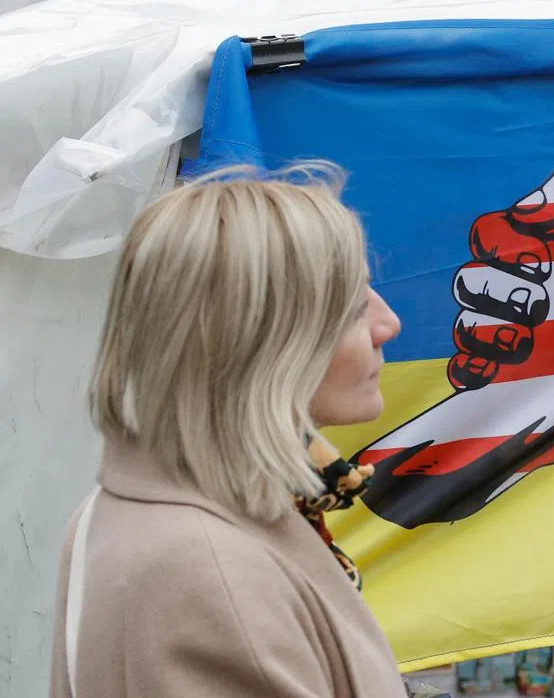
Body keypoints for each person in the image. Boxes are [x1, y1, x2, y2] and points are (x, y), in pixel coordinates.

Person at [49, 163, 407, 697]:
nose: (389, 324)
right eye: (354, 308)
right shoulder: (206, 566)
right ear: (262, 342)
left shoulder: (158, 510)